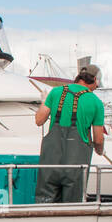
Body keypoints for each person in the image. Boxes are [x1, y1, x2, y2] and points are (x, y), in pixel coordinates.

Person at [34, 63, 105, 203]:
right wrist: (100, 150)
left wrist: (44, 101)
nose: (97, 87)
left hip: (50, 166)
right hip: (75, 168)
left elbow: (39, 120)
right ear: (95, 80)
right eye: (97, 83)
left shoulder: (55, 93)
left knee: (44, 206)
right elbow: (98, 140)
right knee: (71, 209)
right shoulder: (96, 102)